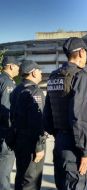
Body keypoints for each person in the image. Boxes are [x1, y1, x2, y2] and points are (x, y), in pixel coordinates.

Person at [43, 37, 87, 190]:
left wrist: (59, 135)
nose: (86, 56)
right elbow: (79, 116)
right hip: (74, 146)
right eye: (85, 53)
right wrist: (85, 151)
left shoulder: (53, 76)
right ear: (81, 52)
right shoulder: (80, 76)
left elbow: (47, 115)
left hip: (59, 142)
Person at [10, 60, 46, 190]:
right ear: (33, 73)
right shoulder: (34, 91)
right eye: (39, 69)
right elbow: (37, 121)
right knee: (31, 181)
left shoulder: (17, 89)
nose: (41, 72)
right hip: (31, 143)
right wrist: (39, 147)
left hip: (19, 140)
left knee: (21, 177)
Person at [0, 56, 20, 190]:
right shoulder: (8, 83)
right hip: (5, 134)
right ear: (11, 66)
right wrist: (12, 134)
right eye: (17, 66)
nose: (19, 69)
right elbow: (7, 110)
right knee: (3, 173)